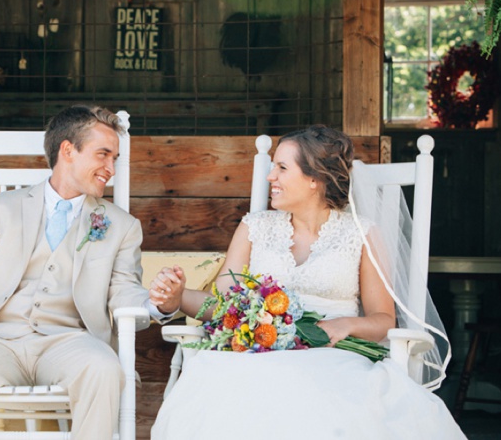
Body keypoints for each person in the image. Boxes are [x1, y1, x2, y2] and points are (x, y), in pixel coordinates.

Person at [150, 125, 465, 439]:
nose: (270, 177)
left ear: (315, 180)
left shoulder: (361, 234)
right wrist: (177, 298)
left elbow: (384, 320)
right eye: (272, 166)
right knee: (222, 382)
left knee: (311, 397)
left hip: (335, 356)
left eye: (282, 168)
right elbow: (221, 306)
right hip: (257, 353)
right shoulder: (253, 228)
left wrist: (345, 325)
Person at [0, 105, 185, 440]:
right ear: (68, 150)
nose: (111, 169)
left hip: (70, 342)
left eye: (115, 159)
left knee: (104, 368)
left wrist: (158, 303)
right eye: (103, 155)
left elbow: (123, 289)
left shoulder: (121, 225)